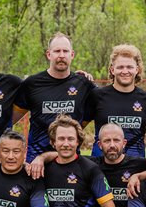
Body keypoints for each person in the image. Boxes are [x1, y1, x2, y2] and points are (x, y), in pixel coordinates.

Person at [16, 34, 95, 162]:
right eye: (57, 51)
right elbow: (10, 119)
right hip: (36, 160)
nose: (61, 55)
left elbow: (99, 109)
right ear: (48, 54)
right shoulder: (32, 84)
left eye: (65, 51)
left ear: (72, 54)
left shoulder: (84, 84)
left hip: (70, 158)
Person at [87, 44, 146, 158]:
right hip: (102, 166)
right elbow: (77, 126)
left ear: (137, 70)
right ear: (112, 70)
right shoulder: (97, 96)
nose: (125, 71)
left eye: (129, 67)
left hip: (135, 166)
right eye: (120, 67)